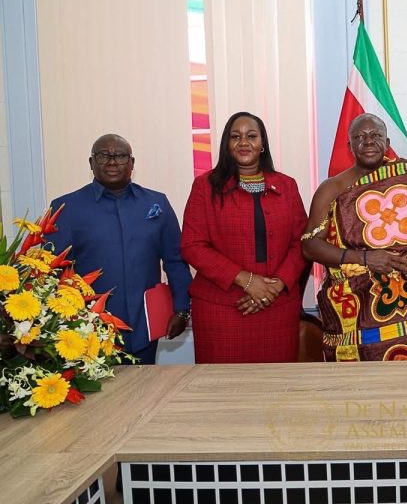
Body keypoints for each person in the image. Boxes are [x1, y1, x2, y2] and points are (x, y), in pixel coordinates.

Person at [302, 113, 407, 361]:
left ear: (387, 142)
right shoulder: (332, 188)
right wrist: (365, 258)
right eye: (359, 137)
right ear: (349, 145)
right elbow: (310, 245)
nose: (368, 141)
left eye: (375, 135)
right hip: (358, 302)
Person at [47, 134, 192, 364]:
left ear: (132, 163)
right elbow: (51, 271)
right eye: (103, 155)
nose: (112, 162)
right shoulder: (66, 208)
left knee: (144, 386)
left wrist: (182, 310)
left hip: (144, 328)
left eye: (120, 156)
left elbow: (175, 261)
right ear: (91, 163)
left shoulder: (157, 203)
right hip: (88, 331)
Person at [181, 112, 308, 363]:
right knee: (225, 384)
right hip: (222, 309)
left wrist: (275, 286)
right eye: (235, 137)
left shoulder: (287, 186)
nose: (244, 143)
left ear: (262, 144)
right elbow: (192, 245)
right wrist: (247, 281)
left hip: (278, 308)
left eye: (251, 136)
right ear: (227, 145)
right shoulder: (205, 186)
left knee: (277, 383)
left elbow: (302, 241)